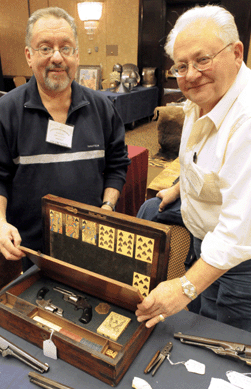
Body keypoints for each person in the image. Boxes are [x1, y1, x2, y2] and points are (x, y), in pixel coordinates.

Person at [136, 4, 251, 331]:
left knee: (224, 344)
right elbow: (198, 158)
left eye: (203, 60)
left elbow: (238, 230)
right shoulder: (201, 97)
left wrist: (185, 286)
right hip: (206, 238)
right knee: (148, 209)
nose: (190, 74)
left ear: (236, 52)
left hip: (242, 262)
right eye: (181, 65)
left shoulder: (247, 120)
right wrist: (178, 187)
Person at [0, 7, 130, 271]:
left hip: (90, 247)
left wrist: (107, 206)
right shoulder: (6, 111)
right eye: (45, 48)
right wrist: (0, 223)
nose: (57, 57)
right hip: (26, 252)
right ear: (29, 55)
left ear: (77, 55)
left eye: (66, 48)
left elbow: (117, 164)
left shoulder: (102, 108)